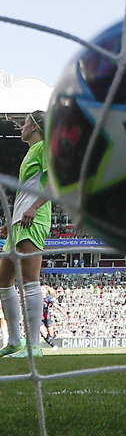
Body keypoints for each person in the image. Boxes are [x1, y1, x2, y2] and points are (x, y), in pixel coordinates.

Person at [0, 111, 52, 358]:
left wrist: (34, 207)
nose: (22, 127)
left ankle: (34, 347)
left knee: (30, 280)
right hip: (19, 223)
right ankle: (14, 342)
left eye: (25, 123)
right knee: (3, 281)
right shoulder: (32, 151)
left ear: (34, 126)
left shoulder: (44, 148)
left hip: (34, 219)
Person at [41, 284, 63, 350]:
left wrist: (62, 311)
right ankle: (53, 346)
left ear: (46, 291)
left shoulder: (48, 297)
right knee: (44, 333)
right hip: (39, 318)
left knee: (51, 334)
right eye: (40, 289)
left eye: (42, 289)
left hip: (47, 317)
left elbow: (55, 305)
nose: (41, 291)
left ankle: (50, 340)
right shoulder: (37, 297)